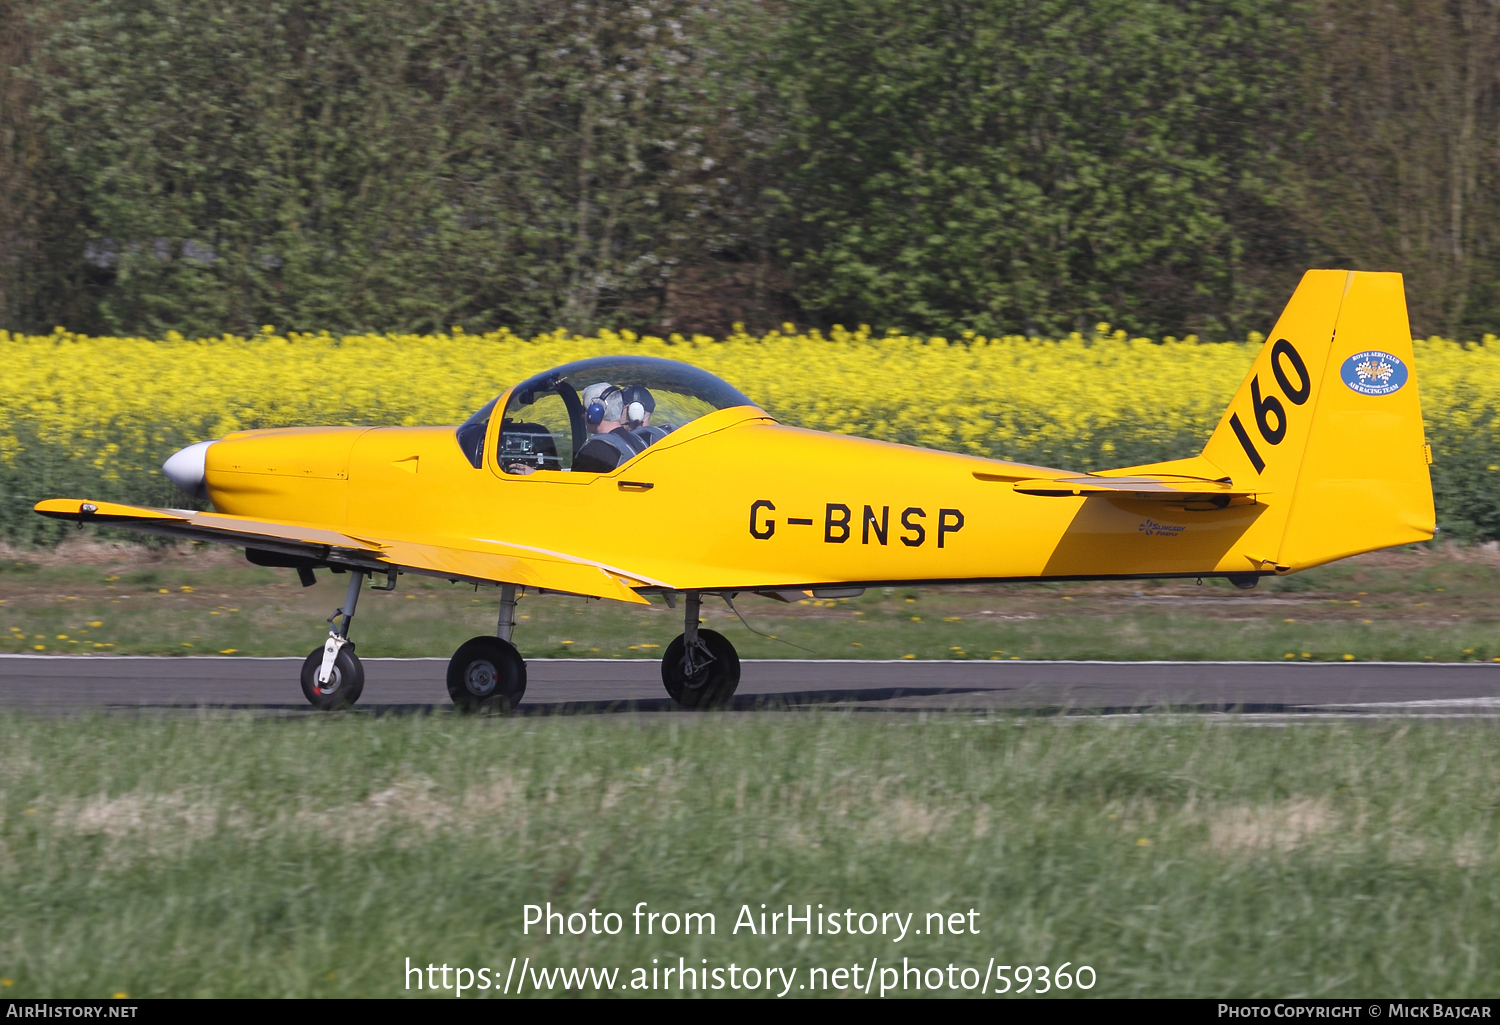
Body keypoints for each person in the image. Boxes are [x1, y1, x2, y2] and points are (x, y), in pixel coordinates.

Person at [572, 383, 648, 473]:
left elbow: (575, 486)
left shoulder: (593, 451)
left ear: (595, 412)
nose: (582, 415)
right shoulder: (638, 441)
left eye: (584, 410)